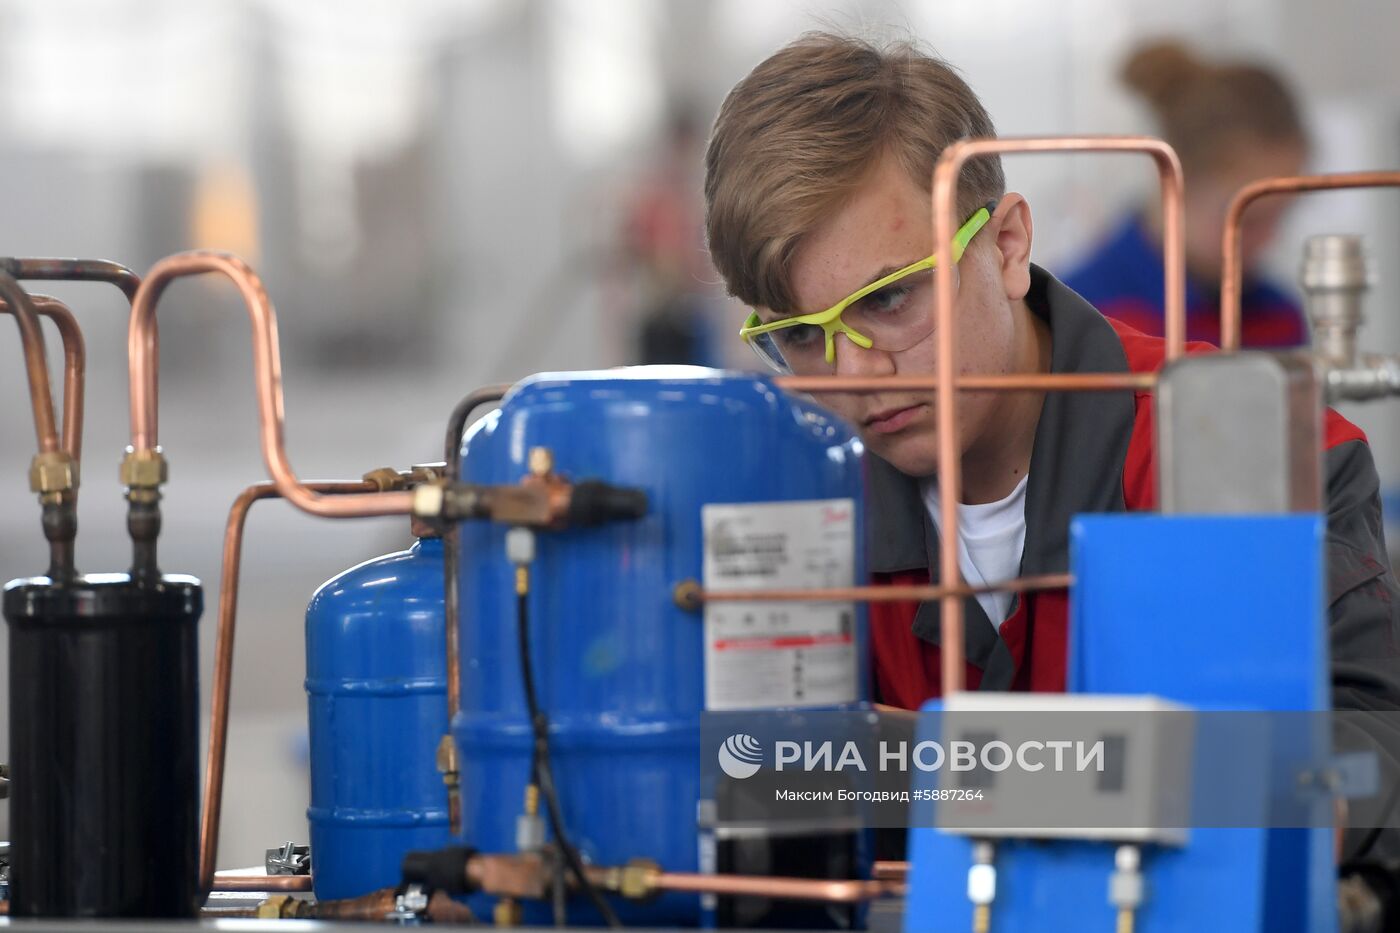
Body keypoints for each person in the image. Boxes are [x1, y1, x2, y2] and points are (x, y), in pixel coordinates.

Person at [702, 31, 1400, 861]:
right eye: (801, 337)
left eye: (889, 299)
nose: (854, 378)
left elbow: (1369, 768)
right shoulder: (793, 507)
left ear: (1006, 245)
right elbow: (744, 785)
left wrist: (938, 770)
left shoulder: (1238, 447)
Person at [1062, 40, 1310, 347]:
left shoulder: (1278, 316)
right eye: (1250, 219)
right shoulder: (1081, 310)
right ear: (1175, 185)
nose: (1270, 239)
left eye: (1281, 216)